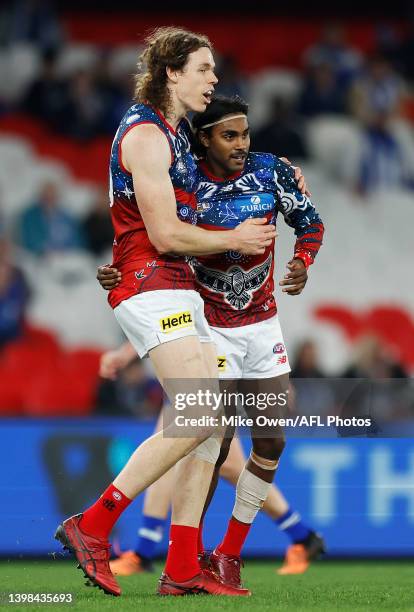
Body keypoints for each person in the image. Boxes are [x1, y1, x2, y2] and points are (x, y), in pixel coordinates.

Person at [54, 27, 276, 598]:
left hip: (177, 286)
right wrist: (235, 237)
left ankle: (181, 564)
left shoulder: (174, 136)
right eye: (204, 69)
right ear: (172, 73)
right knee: (200, 412)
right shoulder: (147, 135)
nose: (214, 79)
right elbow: (164, 232)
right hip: (152, 284)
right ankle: (94, 524)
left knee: (213, 420)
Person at [98, 94, 325, 588]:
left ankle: (226, 553)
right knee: (207, 441)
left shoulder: (272, 172)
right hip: (207, 323)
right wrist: (125, 265)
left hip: (263, 323)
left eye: (245, 134)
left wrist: (303, 261)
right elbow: (154, 229)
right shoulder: (184, 179)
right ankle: (181, 556)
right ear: (204, 139)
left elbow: (310, 222)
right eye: (229, 135)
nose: (242, 144)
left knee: (270, 440)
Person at [98, 340, 325, 577]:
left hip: (212, 370)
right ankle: (302, 536)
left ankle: (303, 537)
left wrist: (275, 371)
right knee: (188, 459)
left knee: (222, 465)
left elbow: (244, 317)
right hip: (195, 369)